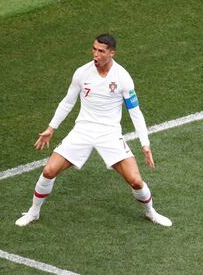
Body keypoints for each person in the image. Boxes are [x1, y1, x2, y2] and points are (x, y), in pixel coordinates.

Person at [15, 34, 172, 227]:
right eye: (94, 49)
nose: (95, 54)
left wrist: (145, 145)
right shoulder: (82, 73)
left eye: (101, 51)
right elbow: (68, 101)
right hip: (83, 130)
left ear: (112, 53)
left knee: (136, 181)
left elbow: (135, 112)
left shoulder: (122, 77)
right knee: (49, 170)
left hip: (110, 134)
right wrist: (51, 128)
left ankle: (150, 212)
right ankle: (33, 212)